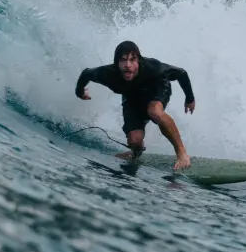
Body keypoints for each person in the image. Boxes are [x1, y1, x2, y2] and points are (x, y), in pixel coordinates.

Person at [75, 41, 196, 171]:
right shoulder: (107, 74)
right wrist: (79, 92)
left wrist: (190, 99)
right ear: (116, 62)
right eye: (123, 60)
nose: (128, 65)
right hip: (132, 99)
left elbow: (181, 73)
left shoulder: (153, 68)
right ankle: (135, 154)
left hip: (157, 90)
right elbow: (86, 73)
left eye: (132, 60)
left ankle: (182, 153)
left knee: (154, 111)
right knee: (134, 140)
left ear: (138, 60)